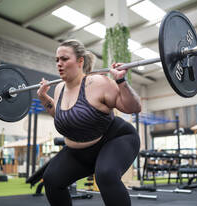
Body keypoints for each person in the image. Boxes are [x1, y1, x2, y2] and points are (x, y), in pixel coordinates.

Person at [37, 39, 141, 206]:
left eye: (64, 59)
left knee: (106, 175)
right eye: (57, 60)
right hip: (79, 152)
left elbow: (133, 107)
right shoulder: (59, 89)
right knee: (51, 179)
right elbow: (62, 116)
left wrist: (121, 81)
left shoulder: (98, 83)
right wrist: (44, 99)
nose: (59, 64)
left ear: (80, 61)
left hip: (115, 139)